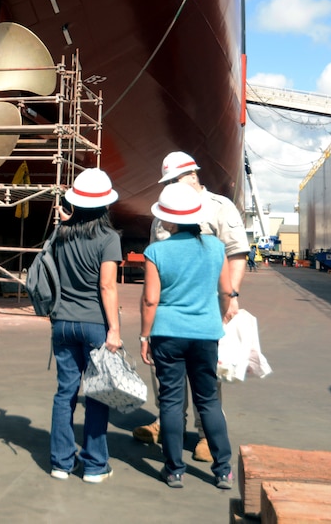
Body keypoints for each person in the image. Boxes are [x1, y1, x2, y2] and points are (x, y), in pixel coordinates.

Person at [134, 151, 248, 462]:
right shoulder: (162, 213)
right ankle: (167, 422)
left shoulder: (221, 207)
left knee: (204, 379)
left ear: (193, 175)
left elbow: (236, 254)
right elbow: (157, 260)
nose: (169, 186)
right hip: (168, 312)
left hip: (207, 307)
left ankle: (204, 436)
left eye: (173, 180)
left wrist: (232, 298)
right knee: (166, 376)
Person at [47, 168, 123, 484]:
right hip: (94, 325)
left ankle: (61, 464)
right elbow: (107, 286)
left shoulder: (59, 235)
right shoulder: (109, 238)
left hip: (62, 322)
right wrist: (114, 330)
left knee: (65, 392)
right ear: (105, 205)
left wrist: (64, 218)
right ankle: (94, 465)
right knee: (97, 394)